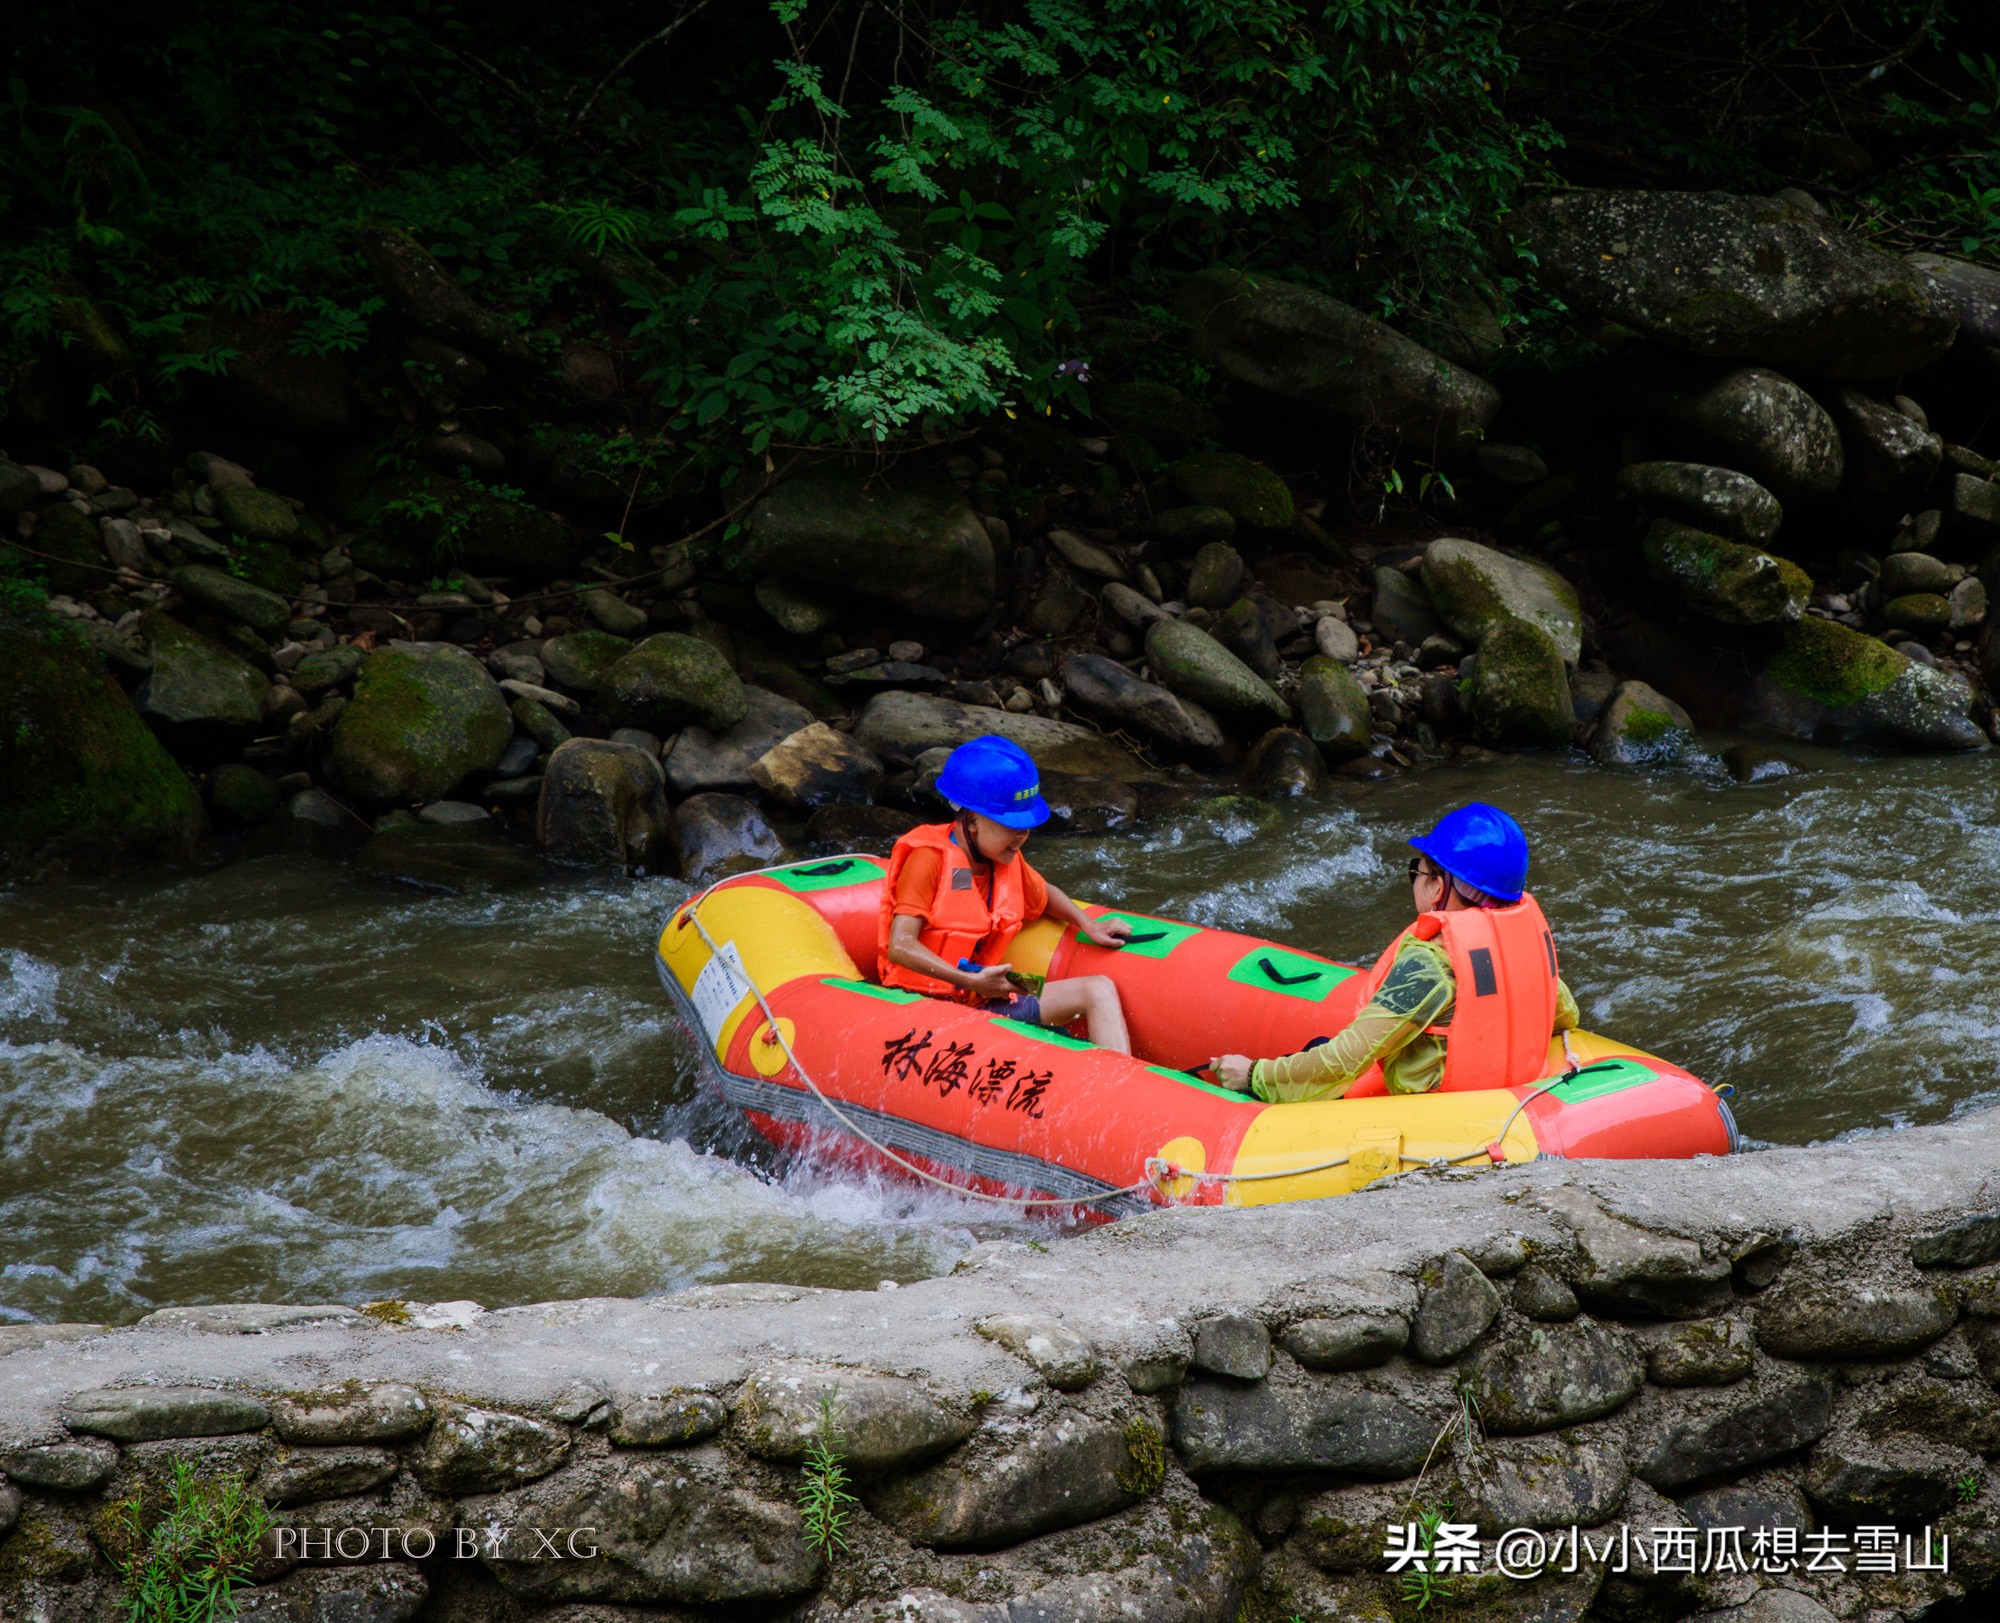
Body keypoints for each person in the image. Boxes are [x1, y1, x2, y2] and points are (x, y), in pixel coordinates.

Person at [1210, 803, 1578, 1100]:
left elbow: (1345, 1059)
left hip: (1431, 1108)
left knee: (1317, 1050)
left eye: (1415, 871)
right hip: (1500, 1096)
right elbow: (1566, 1015)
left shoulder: (1431, 964)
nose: (1414, 879)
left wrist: (1255, 1073)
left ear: (1439, 885)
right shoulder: (1519, 947)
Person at [877, 736, 1135, 1052]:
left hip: (981, 1005)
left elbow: (1045, 894)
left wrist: (1088, 924)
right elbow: (900, 946)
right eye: (1012, 825)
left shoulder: (1005, 861)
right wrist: (969, 981)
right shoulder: (928, 860)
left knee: (1099, 989)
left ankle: (1120, 1088)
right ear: (971, 820)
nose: (1023, 836)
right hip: (921, 1015)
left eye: (1026, 826)